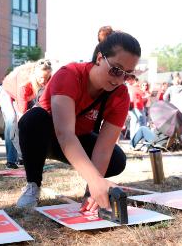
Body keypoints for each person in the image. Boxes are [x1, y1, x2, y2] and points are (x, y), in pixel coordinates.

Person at [16, 31, 141, 210]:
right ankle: (33, 185)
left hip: (78, 137)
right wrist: (95, 180)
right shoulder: (70, 75)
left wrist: (92, 190)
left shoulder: (120, 96)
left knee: (117, 159)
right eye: (116, 70)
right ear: (100, 58)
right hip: (46, 136)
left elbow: (104, 148)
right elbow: (64, 134)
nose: (119, 80)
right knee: (33, 119)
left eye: (127, 75)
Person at [0, 59, 52, 169]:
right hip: (6, 92)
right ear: (35, 74)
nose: (43, 81)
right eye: (40, 78)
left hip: (26, 95)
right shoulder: (24, 83)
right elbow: (22, 115)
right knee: (12, 120)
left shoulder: (49, 80)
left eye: (46, 78)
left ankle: (26, 156)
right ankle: (11, 160)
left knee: (35, 120)